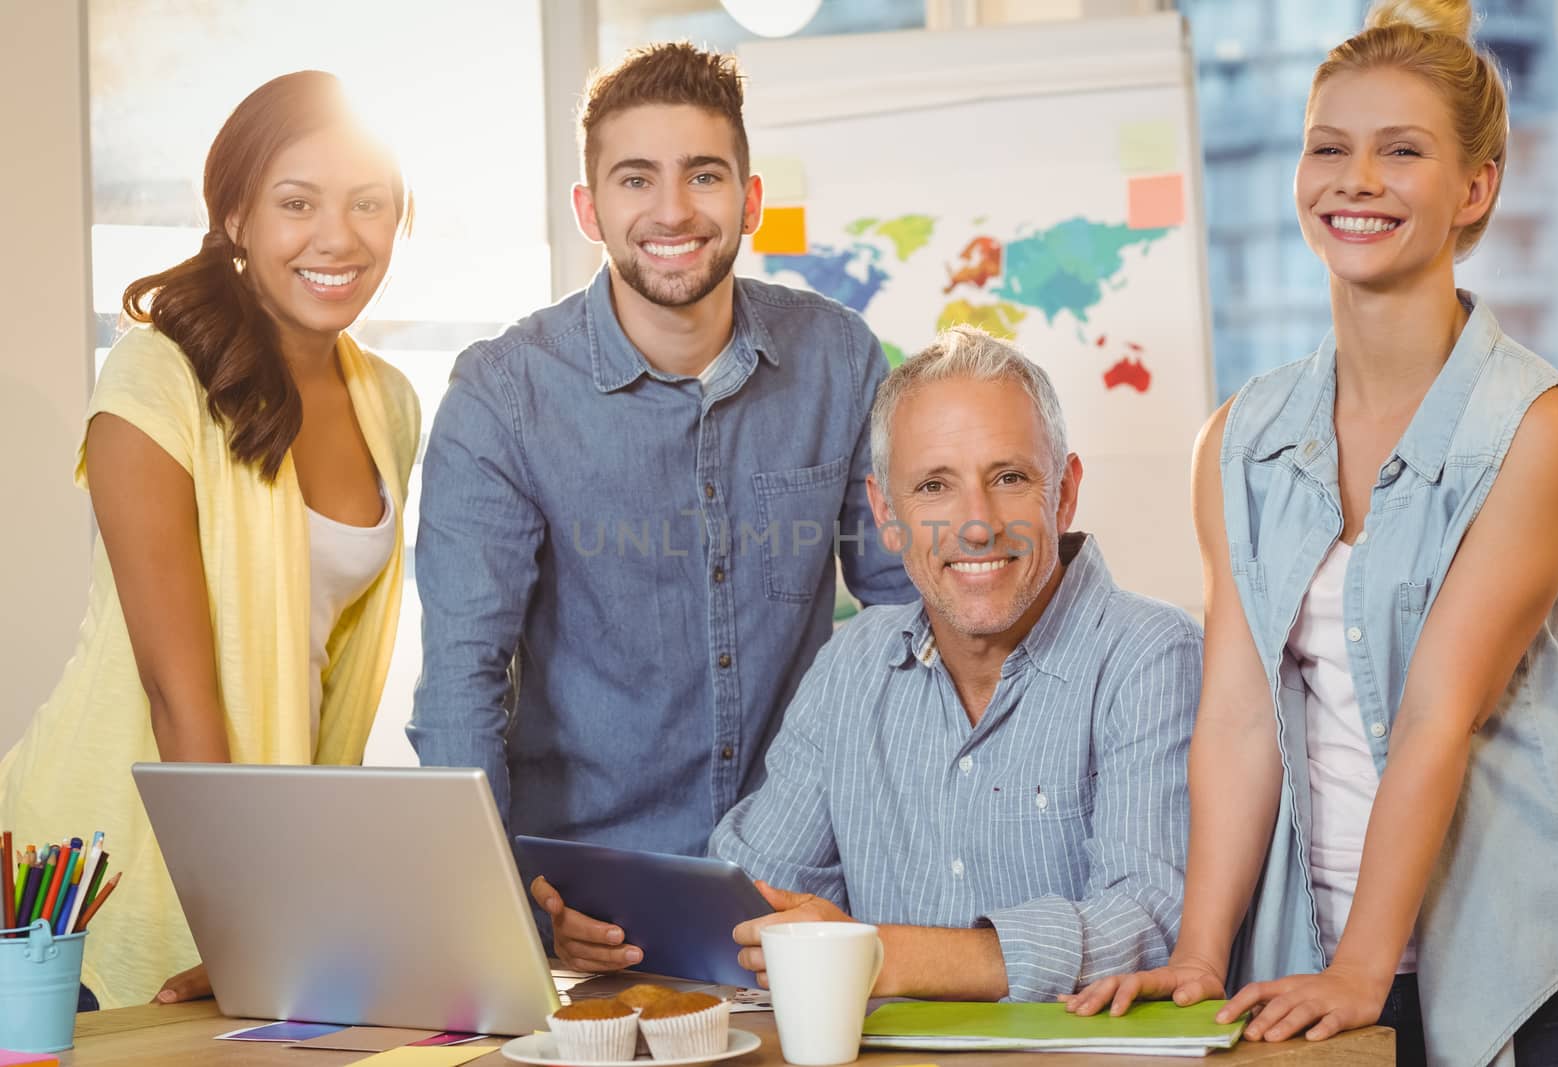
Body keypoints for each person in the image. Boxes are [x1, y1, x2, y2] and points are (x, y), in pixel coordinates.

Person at [1065, 3, 1558, 1064]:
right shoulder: (1238, 438)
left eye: (1401, 151)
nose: (1354, 179)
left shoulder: (1533, 430)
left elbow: (1438, 713)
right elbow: (1235, 718)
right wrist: (1202, 956)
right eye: (1327, 148)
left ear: (1474, 187)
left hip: (1520, 959)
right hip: (1305, 953)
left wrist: (1367, 965)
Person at [411, 41, 915, 965]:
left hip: (798, 890)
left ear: (750, 200)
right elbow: (460, 685)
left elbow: (908, 621)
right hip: (587, 902)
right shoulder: (503, 393)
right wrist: (514, 917)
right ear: (590, 208)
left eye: (704, 175)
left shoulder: (839, 359)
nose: (673, 210)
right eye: (636, 178)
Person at [546, 325, 1202, 995]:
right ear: (886, 515)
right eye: (933, 488)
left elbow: (1150, 922)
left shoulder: (1151, 654)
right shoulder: (855, 662)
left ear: (1062, 493)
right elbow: (759, 888)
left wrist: (884, 955)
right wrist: (627, 934)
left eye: (1008, 477)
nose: (975, 523)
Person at [0, 71, 420, 1010]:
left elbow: (335, 672)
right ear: (234, 214)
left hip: (263, 847)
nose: (338, 237)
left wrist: (307, 885)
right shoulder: (156, 375)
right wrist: (252, 920)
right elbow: (173, 686)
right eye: (296, 202)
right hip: (100, 852)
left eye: (370, 204)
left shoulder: (389, 401)